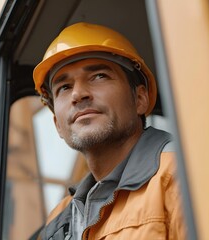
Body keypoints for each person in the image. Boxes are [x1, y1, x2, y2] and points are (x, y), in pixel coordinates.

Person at [32, 22, 186, 240]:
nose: (78, 94)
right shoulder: (60, 219)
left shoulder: (180, 176)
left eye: (99, 76)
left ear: (140, 99)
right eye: (64, 87)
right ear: (57, 124)